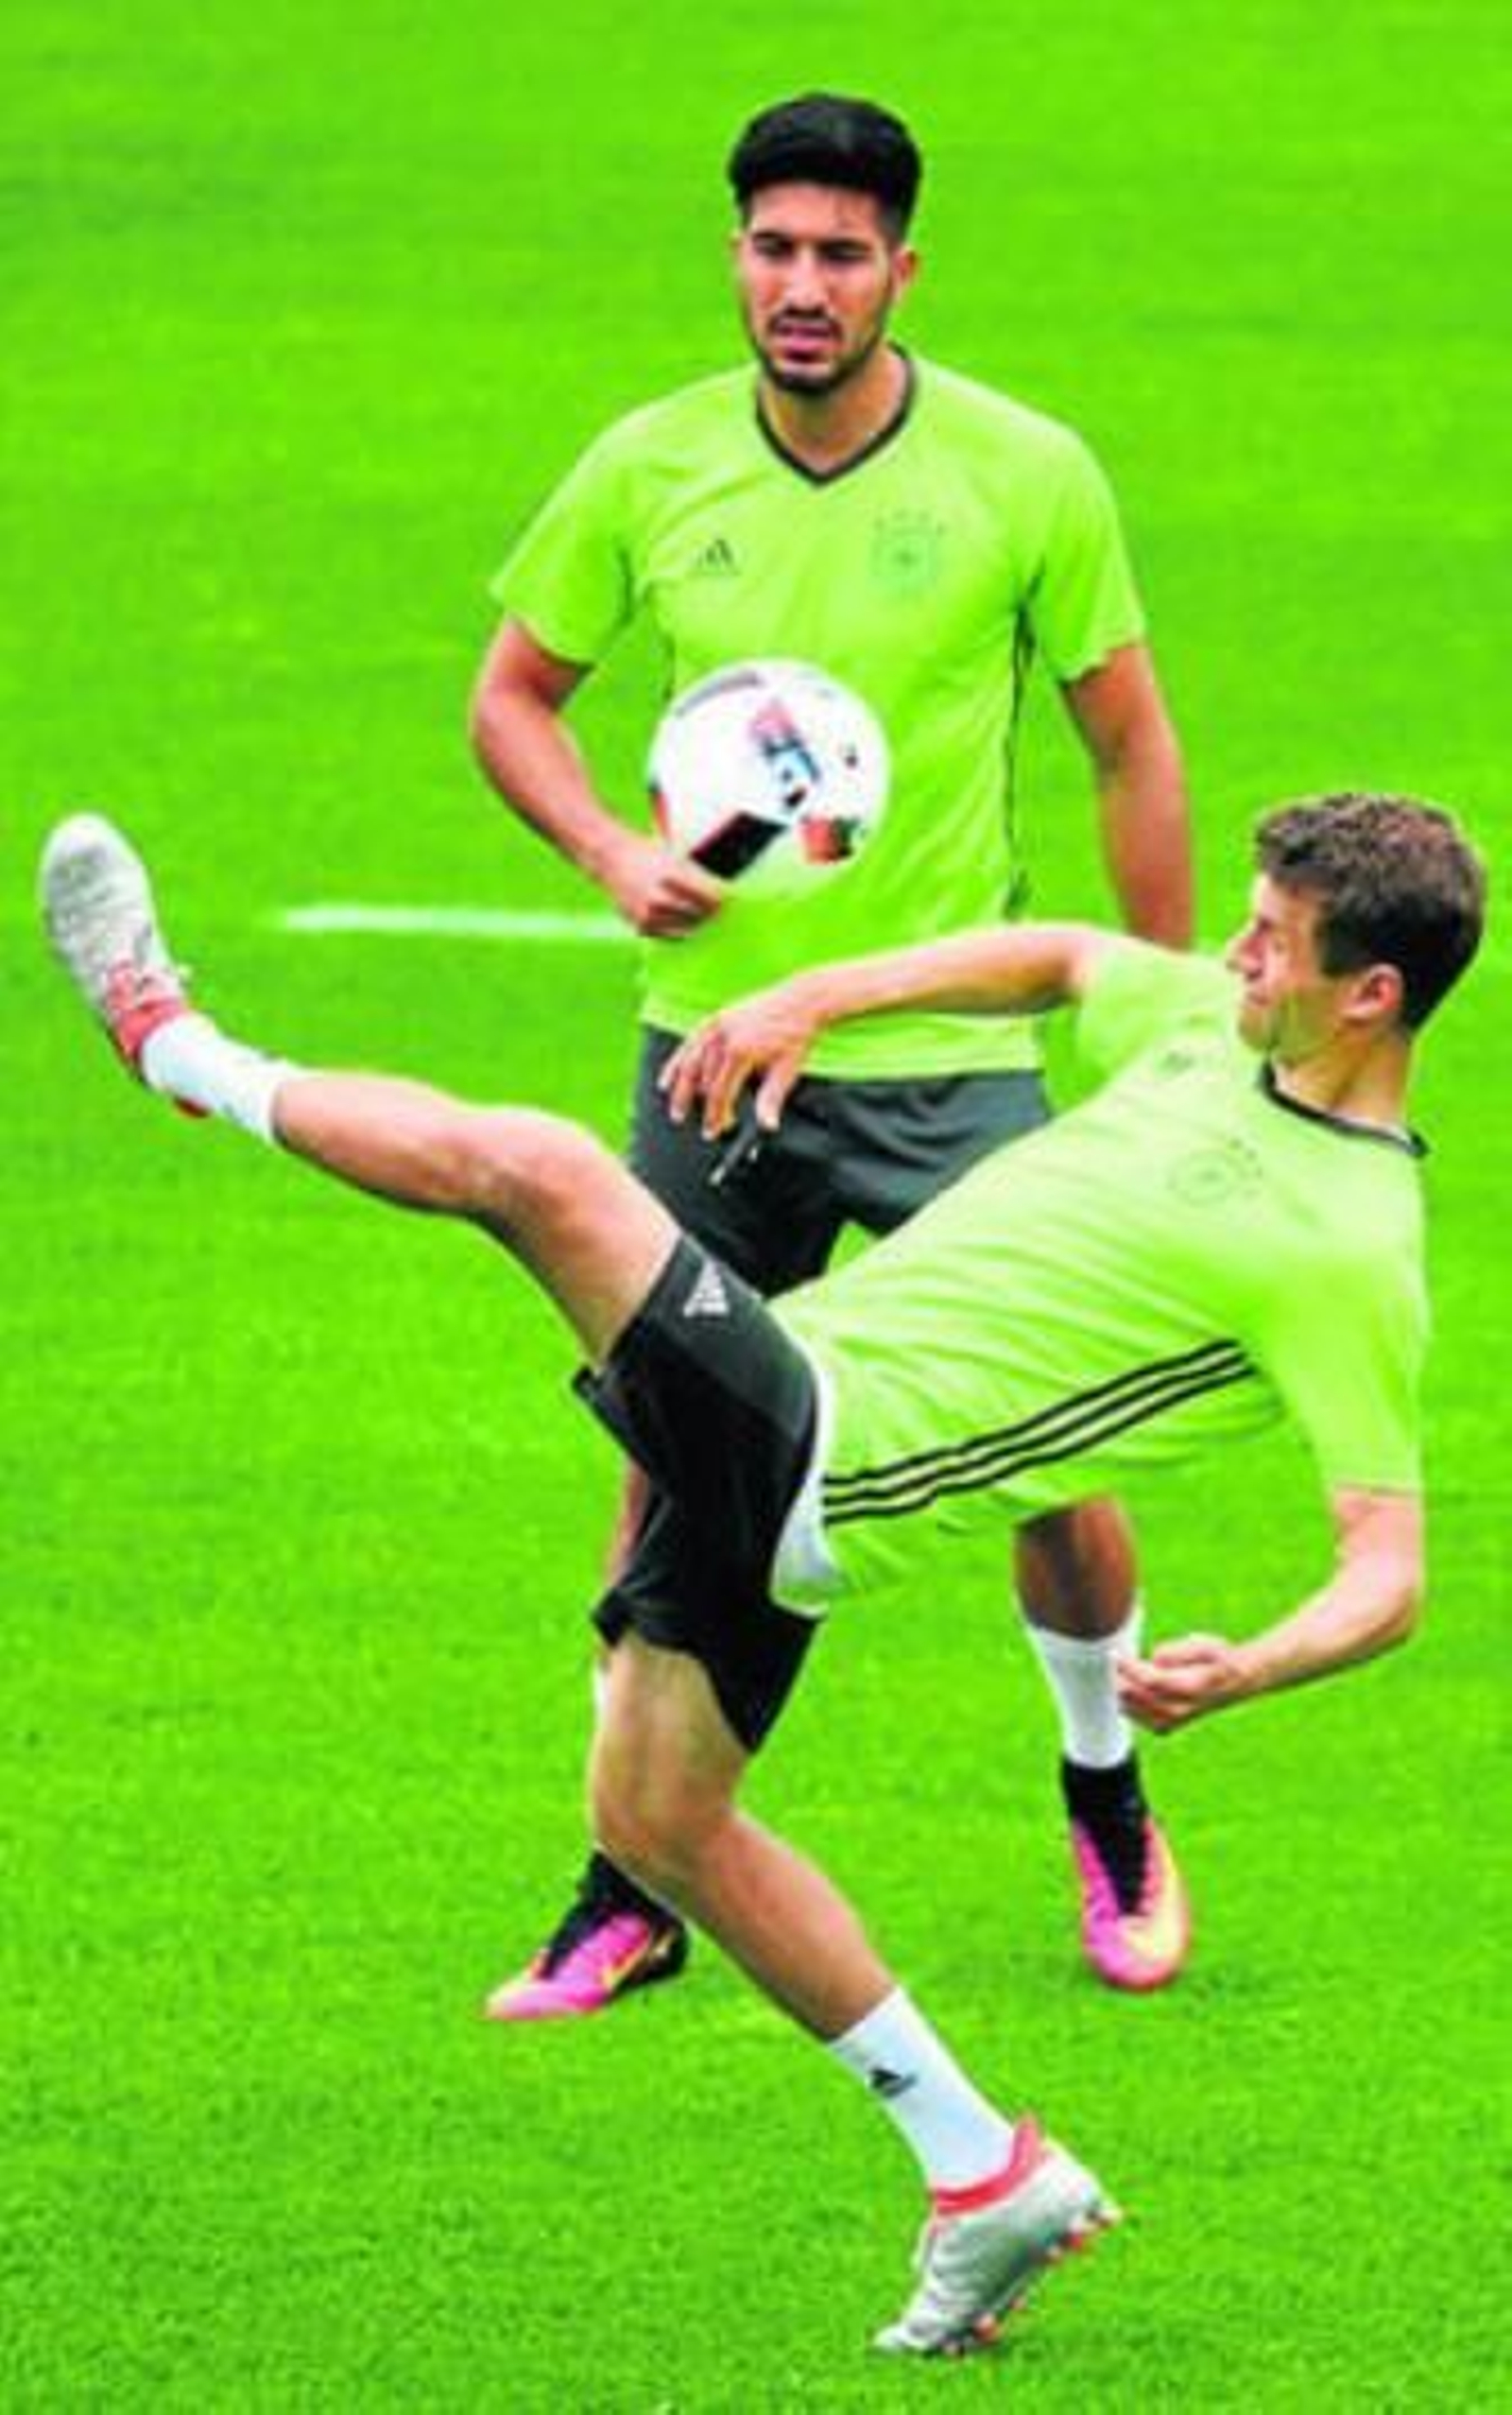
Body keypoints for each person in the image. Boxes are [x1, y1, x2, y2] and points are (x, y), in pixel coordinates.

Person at [41, 792, 1483, 2356]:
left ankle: (170, 1048)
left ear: (1371, 995)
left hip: (827, 1458)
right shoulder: (1221, 1031)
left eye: (1271, 943)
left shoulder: (1350, 1245)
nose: (1231, 955)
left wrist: (1252, 1663)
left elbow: (1388, 1569)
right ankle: (978, 2168)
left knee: (540, 1172)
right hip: (797, 1419)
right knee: (656, 1820)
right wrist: (818, 992)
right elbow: (1069, 957)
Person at [472, 90, 1194, 2018]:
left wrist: (1154, 1013)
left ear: (900, 271)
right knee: (657, 1458)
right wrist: (611, 851)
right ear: (735, 254)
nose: (802, 286)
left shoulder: (1023, 474)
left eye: (839, 254)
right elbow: (513, 697)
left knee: (1044, 1453)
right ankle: (624, 1879)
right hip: (708, 1064)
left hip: (950, 1063)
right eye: (772, 248)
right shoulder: (646, 469)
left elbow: (1129, 742)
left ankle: (1104, 1795)